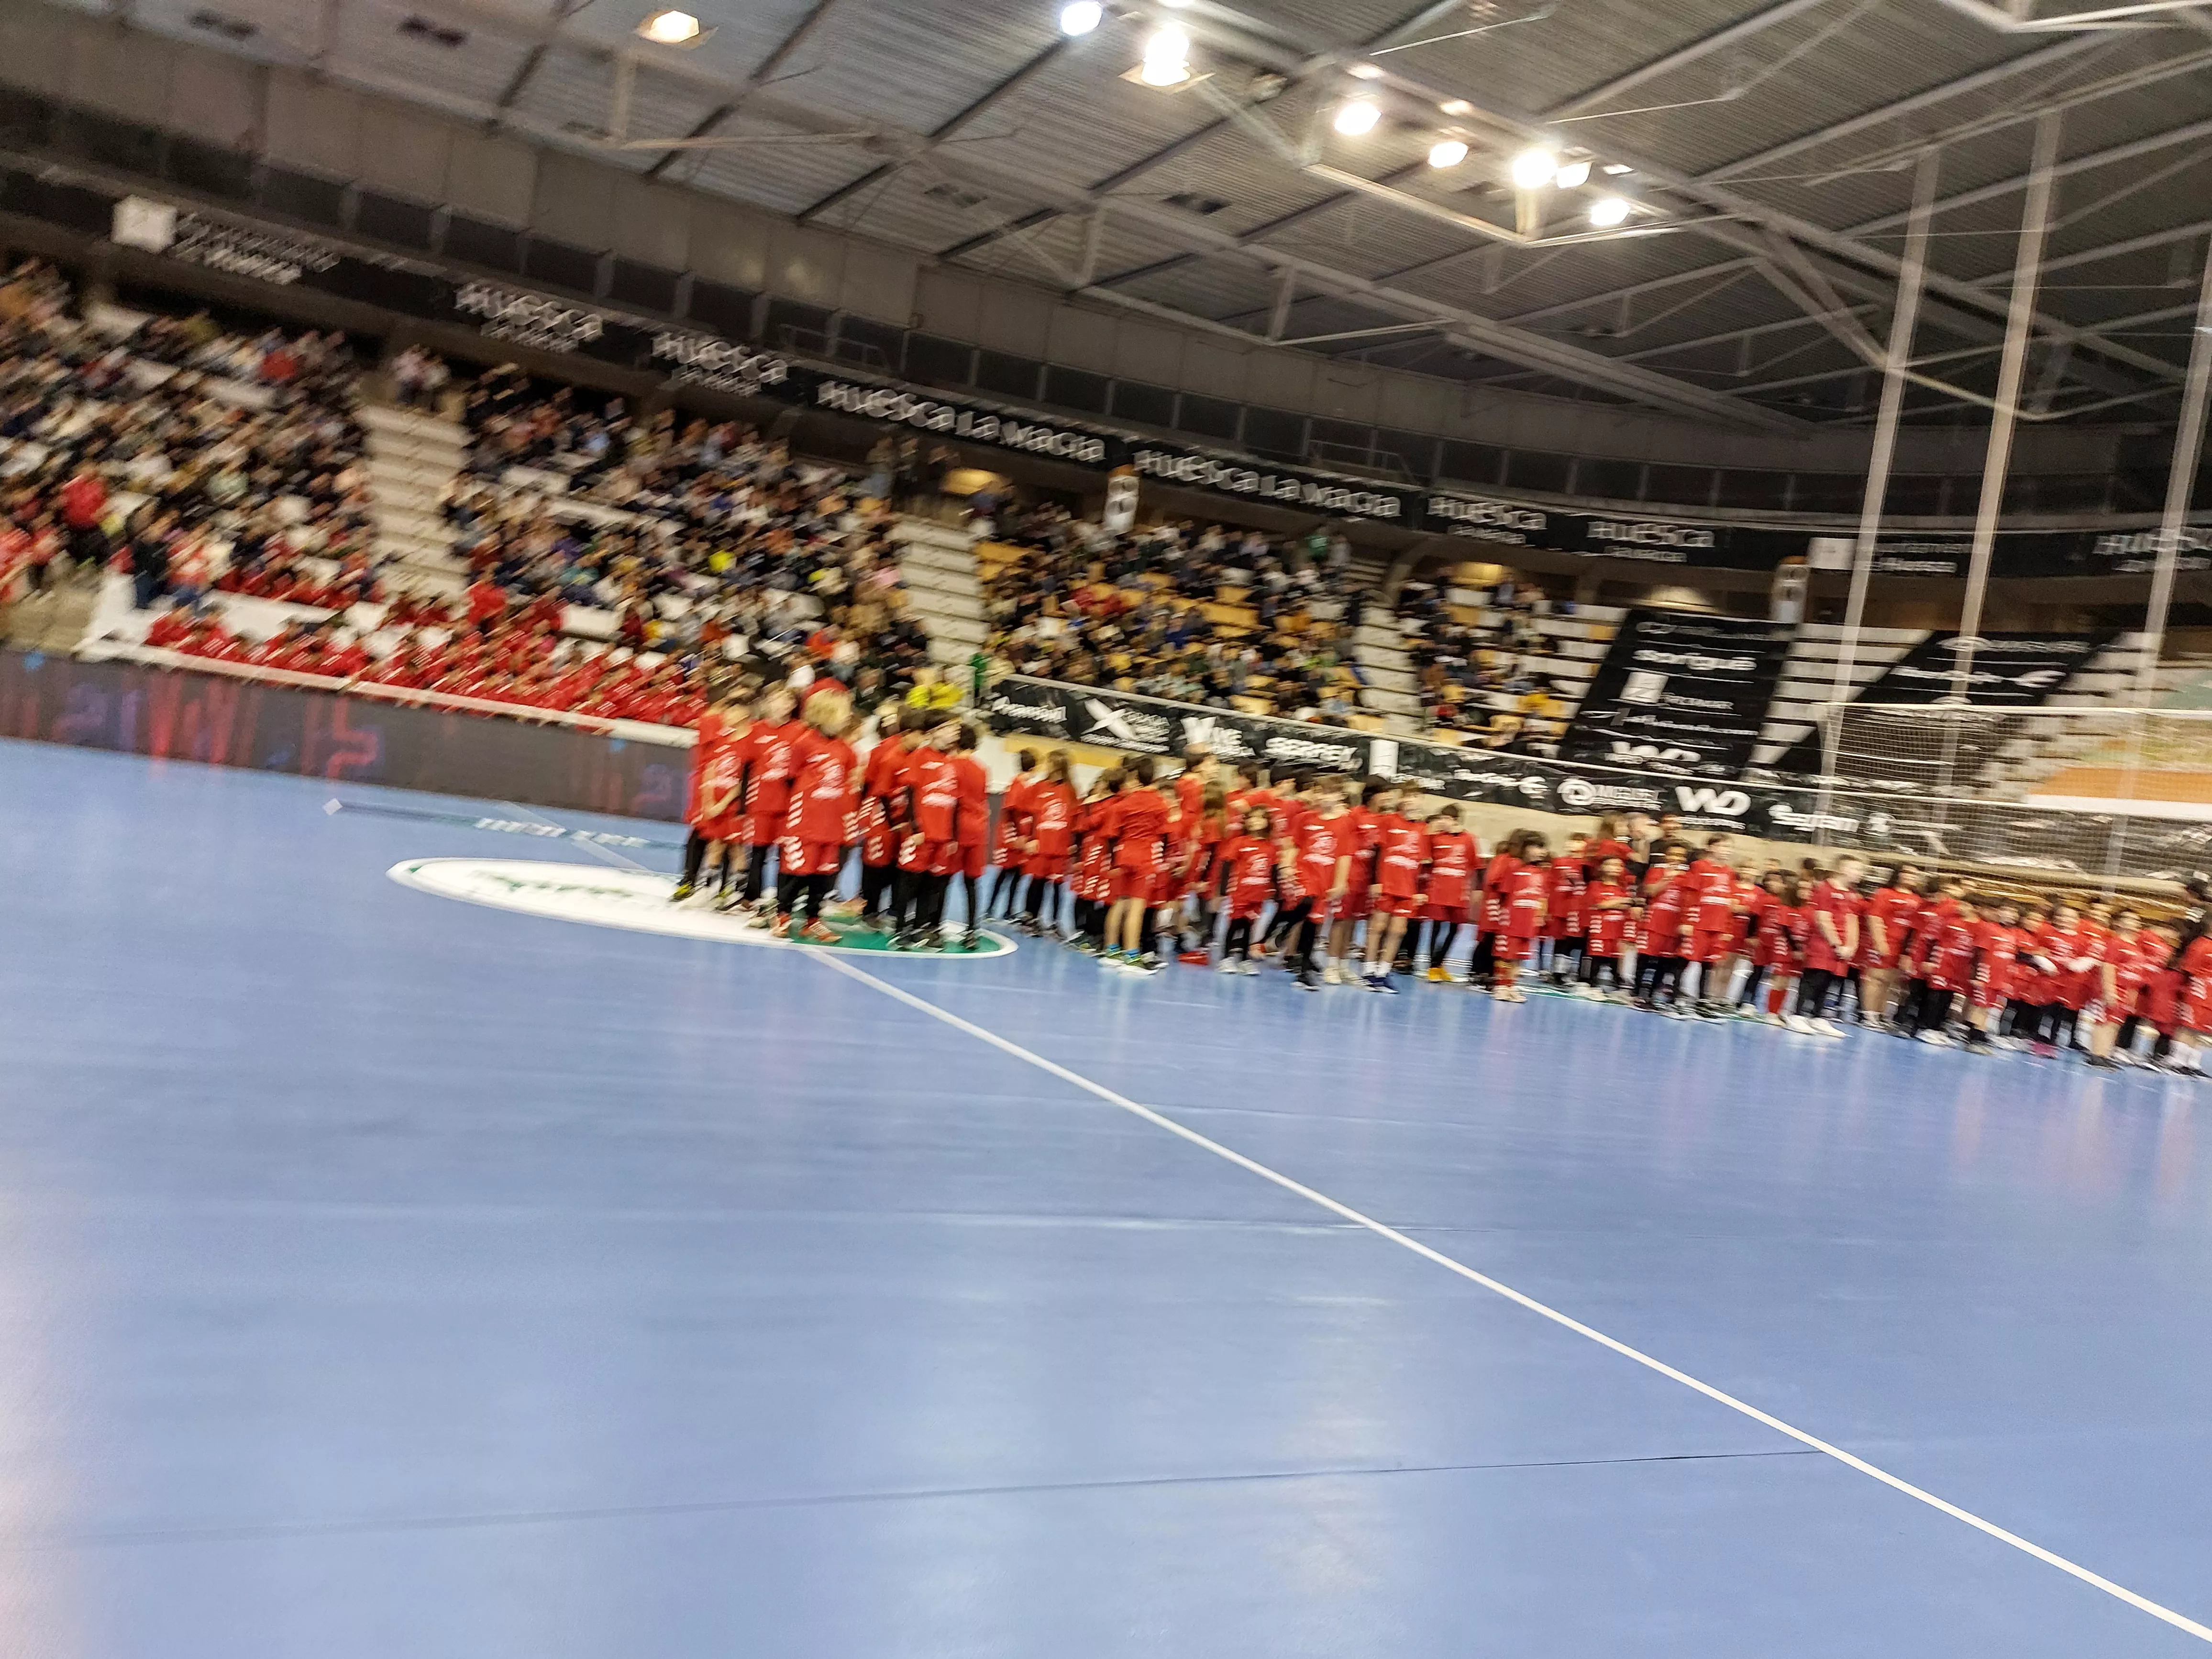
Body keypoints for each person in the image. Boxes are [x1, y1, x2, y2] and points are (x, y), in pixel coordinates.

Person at [774, 690, 860, 942]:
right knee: (795, 870)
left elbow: (848, 783)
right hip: (806, 821)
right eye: (844, 712)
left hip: (831, 824)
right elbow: (790, 778)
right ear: (827, 714)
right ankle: (782, 915)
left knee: (823, 875)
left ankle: (813, 919)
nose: (848, 718)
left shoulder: (846, 750)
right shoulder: (803, 743)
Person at [1103, 760, 1169, 973]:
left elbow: (1111, 835)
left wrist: (1113, 860)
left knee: (1120, 902)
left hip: (1124, 853)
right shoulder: (1160, 803)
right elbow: (1165, 833)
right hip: (1144, 856)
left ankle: (1111, 950)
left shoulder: (1123, 804)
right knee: (1137, 908)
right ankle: (1132, 955)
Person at [1789, 854, 1865, 1038]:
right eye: (1855, 869)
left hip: (1842, 948)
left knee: (1829, 981)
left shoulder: (1852, 895)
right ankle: (1798, 1015)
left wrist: (1852, 946)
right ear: (1842, 869)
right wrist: (1836, 943)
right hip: (1823, 944)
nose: (1860, 874)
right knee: (1814, 979)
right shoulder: (1825, 889)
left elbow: (1852, 921)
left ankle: (1818, 1017)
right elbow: (1823, 919)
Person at [1215, 806, 1280, 975]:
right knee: (1235, 923)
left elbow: (1274, 870)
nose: (1255, 821)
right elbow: (1227, 864)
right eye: (1251, 818)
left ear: (1267, 822)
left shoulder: (1271, 847)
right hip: (1240, 892)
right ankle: (1226, 958)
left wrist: (1277, 891)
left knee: (1249, 925)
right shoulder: (1240, 842)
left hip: (1258, 894)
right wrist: (1223, 888)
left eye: (1260, 818)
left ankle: (1245, 959)